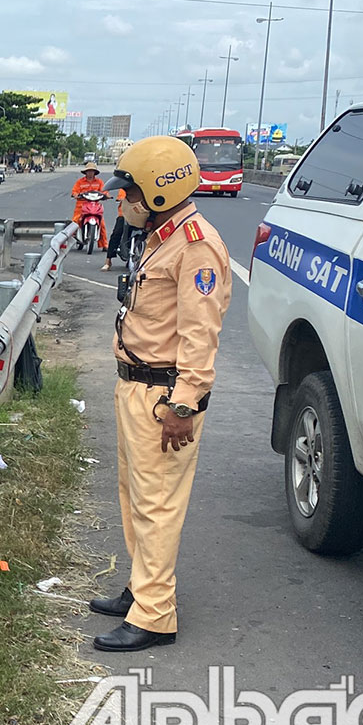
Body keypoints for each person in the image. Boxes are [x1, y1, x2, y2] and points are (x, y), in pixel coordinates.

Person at [87, 135, 232, 653]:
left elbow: (200, 336)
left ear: (159, 194)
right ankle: (140, 589)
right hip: (136, 387)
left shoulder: (195, 246)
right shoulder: (160, 236)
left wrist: (183, 405)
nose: (120, 202)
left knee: (158, 506)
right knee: (135, 498)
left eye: (129, 194)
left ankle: (155, 615)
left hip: (164, 399)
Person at [70, 163, 108, 250]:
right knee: (75, 222)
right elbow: (75, 191)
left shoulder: (99, 182)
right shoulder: (80, 182)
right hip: (81, 205)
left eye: (92, 171)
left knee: (101, 223)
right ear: (85, 172)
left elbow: (104, 191)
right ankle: (70, 240)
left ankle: (104, 244)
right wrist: (75, 195)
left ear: (95, 172)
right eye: (89, 171)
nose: (90, 173)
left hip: (95, 205)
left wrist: (106, 195)